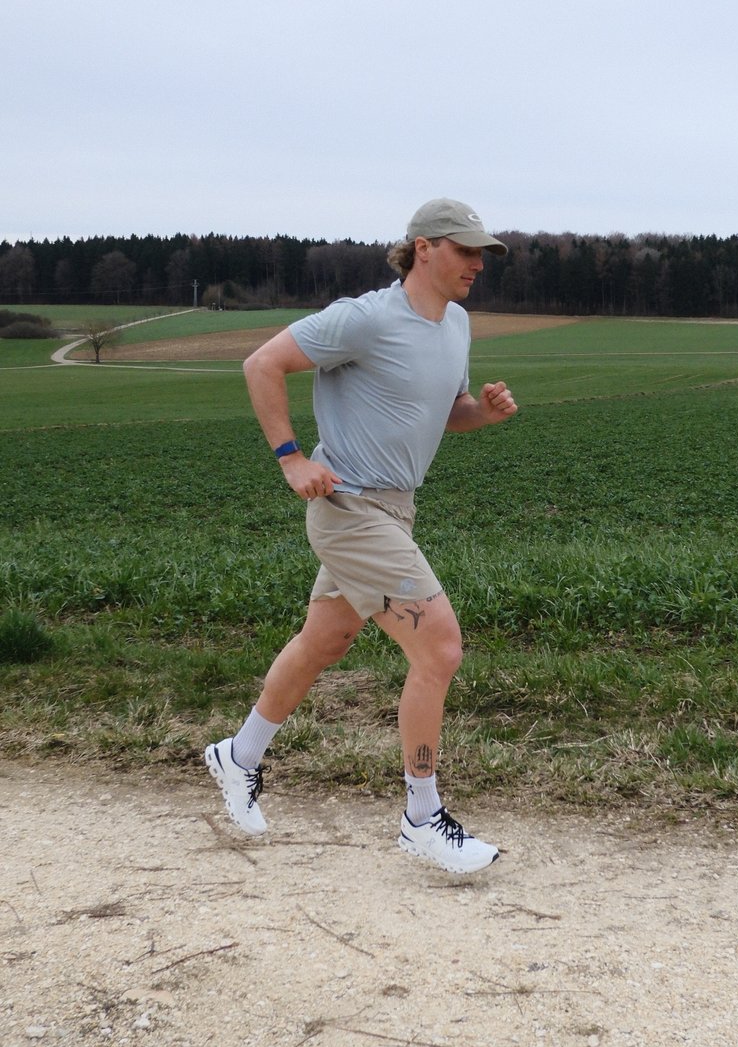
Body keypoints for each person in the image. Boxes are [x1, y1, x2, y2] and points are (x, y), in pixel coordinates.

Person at [205, 198, 517, 874]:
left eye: (482, 254)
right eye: (465, 251)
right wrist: (291, 457)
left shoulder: (457, 324)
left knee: (326, 639)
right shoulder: (367, 317)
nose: (476, 264)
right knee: (439, 647)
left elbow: (444, 413)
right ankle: (422, 818)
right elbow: (261, 363)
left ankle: (238, 755)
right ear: (425, 248)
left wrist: (482, 414)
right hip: (349, 508)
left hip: (396, 509)